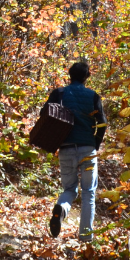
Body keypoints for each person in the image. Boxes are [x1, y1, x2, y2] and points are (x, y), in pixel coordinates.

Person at [48, 61, 107, 241]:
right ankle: (85, 237)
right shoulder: (93, 96)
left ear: (69, 75)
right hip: (87, 149)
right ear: (87, 76)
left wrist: (54, 139)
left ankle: (62, 208)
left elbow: (46, 116)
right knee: (88, 191)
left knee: (69, 188)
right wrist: (94, 143)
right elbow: (102, 123)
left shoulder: (58, 94)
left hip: (66, 148)